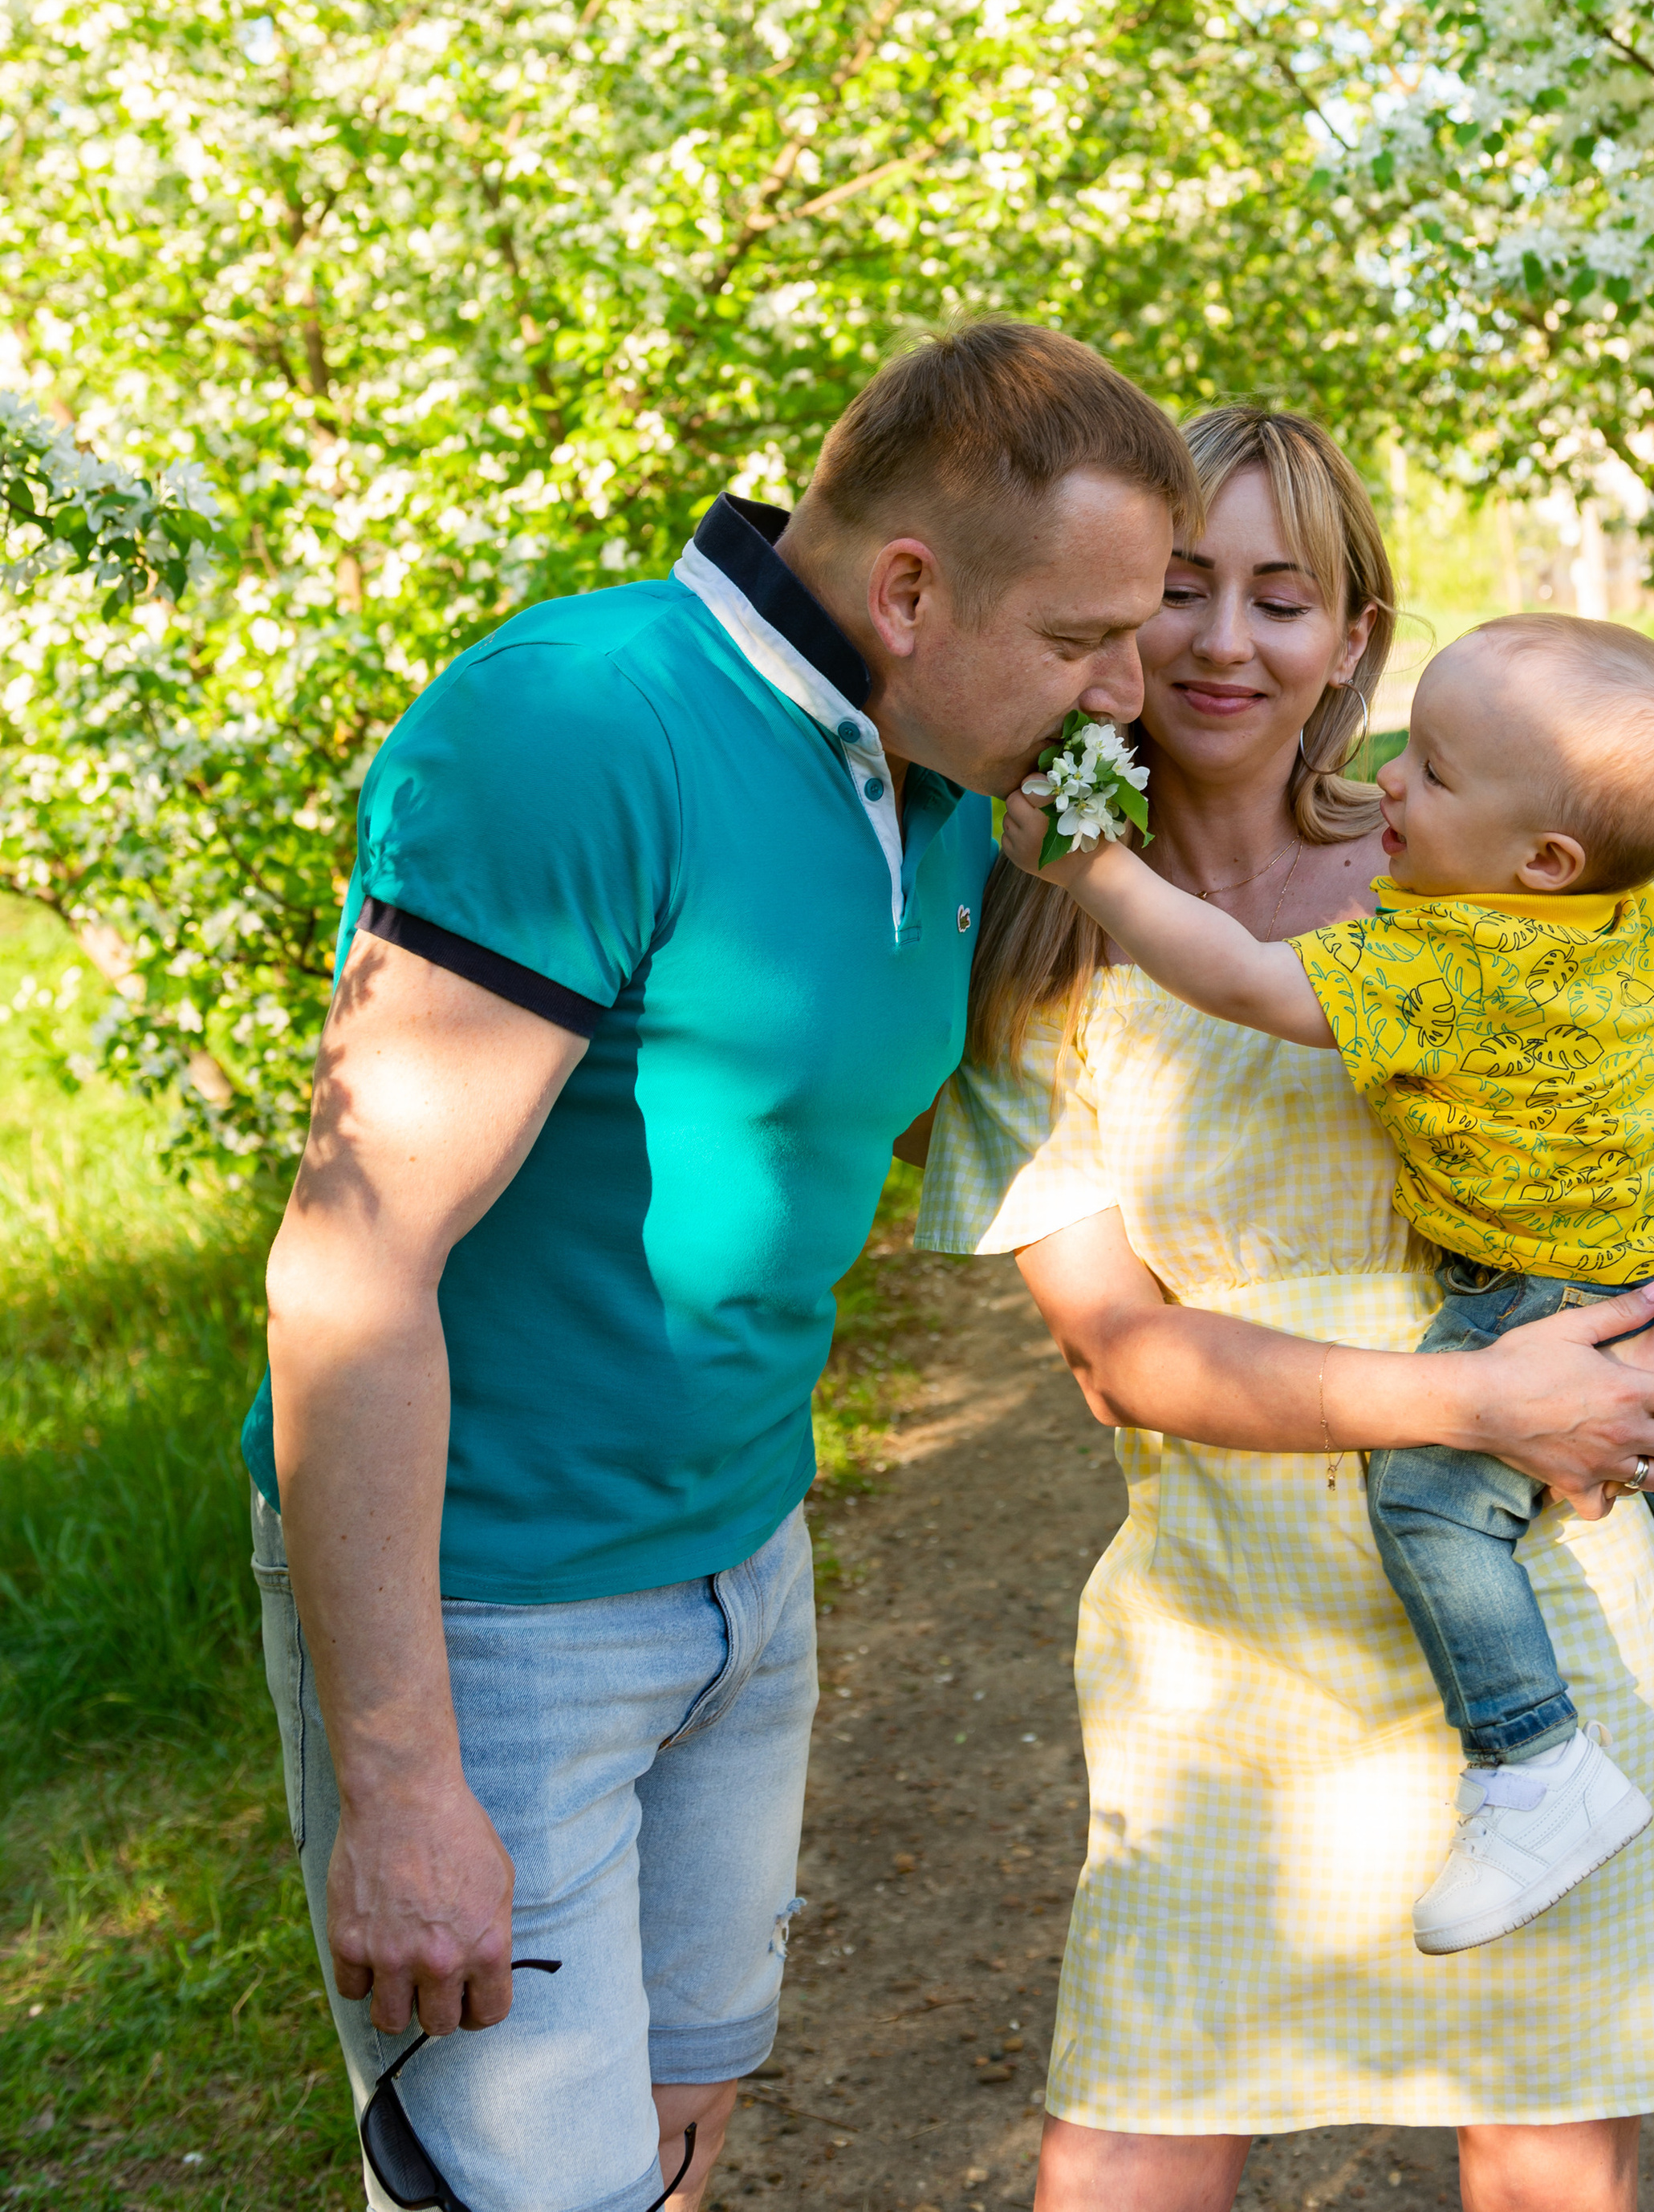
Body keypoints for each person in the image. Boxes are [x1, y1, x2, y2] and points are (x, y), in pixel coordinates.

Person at [244, 319, 1201, 2212]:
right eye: (1087, 641)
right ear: (908, 587)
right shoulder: (580, 725)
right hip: (498, 1606)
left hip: (740, 1567)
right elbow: (350, 1260)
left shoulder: (933, 768)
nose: (1124, 692)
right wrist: (405, 1778)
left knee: (674, 2133)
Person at [916, 407, 1654, 2212]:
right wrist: (1468, 1407)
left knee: (1548, 2149)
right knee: (1127, 2146)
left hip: (1557, 1618)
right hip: (1229, 1647)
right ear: (1109, 608)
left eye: (1279, 593)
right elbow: (1117, 1353)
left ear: (1351, 637)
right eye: (1177, 588)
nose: (1222, 640)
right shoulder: (1036, 954)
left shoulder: (1493, 885)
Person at [1000, 608, 1654, 1962]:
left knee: (1434, 1505)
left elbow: (1237, 977)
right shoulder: (1615, 922)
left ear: (1542, 855)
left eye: (1439, 773)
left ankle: (1535, 1761)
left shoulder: (1431, 953)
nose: (1398, 778)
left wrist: (1090, 870)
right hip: (1649, 1260)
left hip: (1534, 1288)